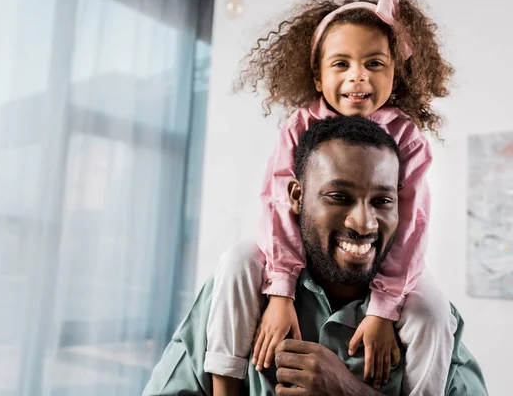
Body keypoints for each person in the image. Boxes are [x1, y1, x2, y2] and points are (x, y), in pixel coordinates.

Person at [206, 0, 456, 394]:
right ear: (318, 77)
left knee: (432, 310)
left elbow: (411, 225)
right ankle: (224, 377)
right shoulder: (300, 125)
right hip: (297, 255)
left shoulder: (408, 138)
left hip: (390, 267)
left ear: (396, 73)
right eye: (342, 63)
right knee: (236, 259)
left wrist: (383, 308)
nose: (358, 77)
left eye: (374, 63)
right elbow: (278, 208)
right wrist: (281, 291)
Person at [143, 116, 488, 396]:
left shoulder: (428, 318)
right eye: (338, 196)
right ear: (296, 195)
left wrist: (348, 391)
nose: (364, 223)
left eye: (383, 202)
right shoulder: (239, 288)